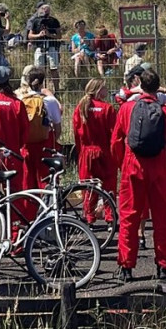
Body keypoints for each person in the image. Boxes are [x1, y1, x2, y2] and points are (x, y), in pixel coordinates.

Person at [111, 69, 166, 281]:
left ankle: (126, 265)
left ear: (139, 84)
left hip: (133, 164)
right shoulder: (165, 111)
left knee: (130, 217)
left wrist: (122, 163)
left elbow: (116, 141)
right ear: (158, 88)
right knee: (161, 219)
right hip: (158, 168)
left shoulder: (127, 108)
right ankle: (163, 265)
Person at [70, 79, 118, 225]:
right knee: (109, 185)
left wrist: (81, 152)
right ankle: (110, 217)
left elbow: (77, 134)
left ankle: (89, 217)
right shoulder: (107, 108)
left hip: (86, 152)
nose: (107, 90)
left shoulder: (81, 108)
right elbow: (114, 134)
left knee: (88, 186)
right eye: (104, 88)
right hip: (104, 151)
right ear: (98, 90)